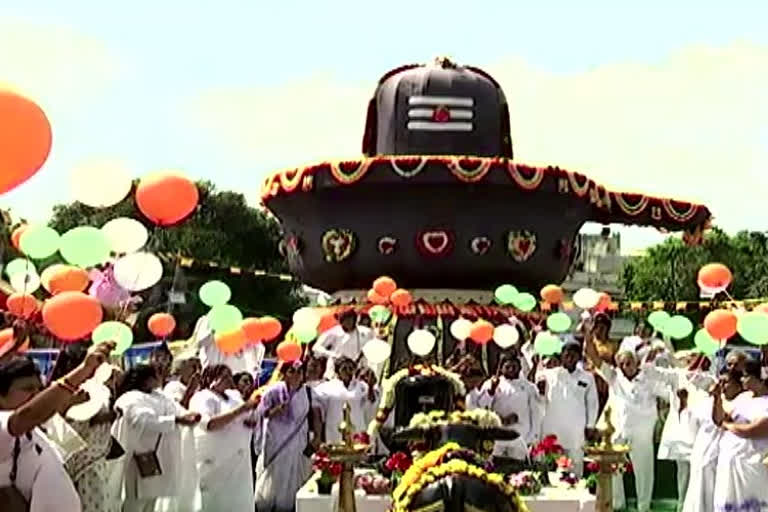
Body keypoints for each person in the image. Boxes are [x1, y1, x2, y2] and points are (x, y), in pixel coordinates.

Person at [0, 341, 114, 512]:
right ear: (1, 396)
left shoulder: (47, 426)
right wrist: (83, 371)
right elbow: (26, 416)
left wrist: (67, 407)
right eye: (27, 388)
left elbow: (72, 458)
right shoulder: (5, 423)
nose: (36, 395)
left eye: (39, 389)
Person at [585, 325, 665, 512]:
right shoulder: (615, 377)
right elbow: (594, 358)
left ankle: (643, 507)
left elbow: (670, 393)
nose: (624, 367)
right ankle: (617, 505)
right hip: (618, 431)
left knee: (644, 472)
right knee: (613, 471)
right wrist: (589, 336)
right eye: (621, 363)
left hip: (642, 433)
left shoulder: (649, 378)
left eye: (628, 363)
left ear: (637, 362)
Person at [112, 364, 202, 512]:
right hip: (138, 459)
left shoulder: (160, 396)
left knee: (151, 505)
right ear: (146, 379)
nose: (159, 377)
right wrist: (176, 421)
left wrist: (189, 415)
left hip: (159, 462)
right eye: (155, 375)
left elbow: (177, 410)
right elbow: (141, 419)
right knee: (134, 505)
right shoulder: (129, 398)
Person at [48, 343, 119, 512]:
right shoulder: (57, 391)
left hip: (96, 461)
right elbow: (55, 424)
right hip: (76, 464)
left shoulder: (100, 389)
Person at [188, 364, 259, 511]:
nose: (228, 379)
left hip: (238, 464)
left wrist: (250, 419)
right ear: (211, 378)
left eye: (229, 375)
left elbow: (244, 419)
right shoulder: (202, 397)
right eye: (224, 376)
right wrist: (242, 410)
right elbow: (209, 424)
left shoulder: (234, 396)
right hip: (215, 464)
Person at [254, 361, 321, 512]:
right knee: (274, 477)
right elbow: (261, 414)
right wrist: (276, 411)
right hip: (276, 440)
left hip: (299, 441)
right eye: (292, 371)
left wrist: (317, 437)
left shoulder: (309, 392)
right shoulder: (273, 391)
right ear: (285, 373)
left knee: (295, 477)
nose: (296, 375)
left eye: (299, 371)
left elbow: (316, 415)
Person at [682, 369, 743, 512]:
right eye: (720, 381)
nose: (721, 385)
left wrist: (717, 398)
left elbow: (719, 420)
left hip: (722, 458)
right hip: (702, 453)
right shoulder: (706, 401)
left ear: (738, 386)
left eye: (726, 382)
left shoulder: (739, 403)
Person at [712, 359, 768, 511]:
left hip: (752, 464)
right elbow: (719, 418)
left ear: (760, 378)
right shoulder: (743, 397)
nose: (742, 379)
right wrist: (717, 397)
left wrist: (728, 426)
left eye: (746, 376)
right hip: (730, 461)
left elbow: (753, 430)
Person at [537, 342, 599, 477]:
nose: (570, 358)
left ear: (579, 357)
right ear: (562, 356)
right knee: (551, 469)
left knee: (575, 469)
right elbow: (539, 398)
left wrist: (591, 425)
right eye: (567, 355)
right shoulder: (548, 375)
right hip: (552, 429)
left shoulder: (587, 377)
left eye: (573, 355)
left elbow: (592, 403)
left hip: (576, 431)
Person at [479, 354, 541, 461]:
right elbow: (482, 406)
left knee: (518, 473)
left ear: (520, 367)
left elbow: (536, 413)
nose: (511, 369)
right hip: (497, 439)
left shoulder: (529, 387)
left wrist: (531, 439)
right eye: (507, 367)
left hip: (520, 438)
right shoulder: (491, 383)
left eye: (514, 366)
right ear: (501, 368)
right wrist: (491, 391)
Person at [314, 357, 369, 443]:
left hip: (357, 428)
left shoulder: (362, 386)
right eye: (344, 369)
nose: (348, 371)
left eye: (351, 368)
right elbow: (315, 403)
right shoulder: (326, 387)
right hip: (335, 428)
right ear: (337, 371)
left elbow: (370, 404)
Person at [193, 315, 265, 374]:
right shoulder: (207, 321)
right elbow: (200, 342)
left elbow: (259, 351)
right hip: (213, 379)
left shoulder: (246, 331)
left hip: (239, 381)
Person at [313, 309, 374, 378]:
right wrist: (334, 355)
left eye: (350, 319)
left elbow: (372, 348)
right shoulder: (335, 332)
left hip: (356, 371)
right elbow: (316, 348)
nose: (348, 322)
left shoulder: (365, 332)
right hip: (335, 372)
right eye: (345, 319)